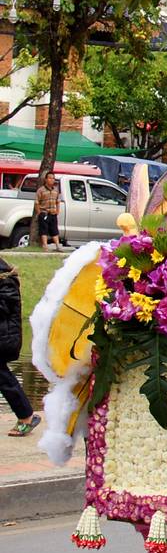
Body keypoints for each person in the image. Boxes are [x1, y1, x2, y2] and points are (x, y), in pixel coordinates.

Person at [0, 257, 37, 436]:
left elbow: (3, 308)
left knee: (3, 378)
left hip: (4, 337)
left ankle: (26, 416)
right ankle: (26, 414)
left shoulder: (6, 280)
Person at [34, 171, 63, 252]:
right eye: (50, 178)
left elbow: (58, 201)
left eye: (53, 178)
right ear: (46, 179)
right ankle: (45, 246)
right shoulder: (41, 190)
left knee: (54, 230)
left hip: (53, 213)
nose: (52, 180)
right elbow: (36, 202)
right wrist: (39, 212)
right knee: (44, 230)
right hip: (44, 213)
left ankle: (58, 246)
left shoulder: (56, 190)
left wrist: (57, 210)